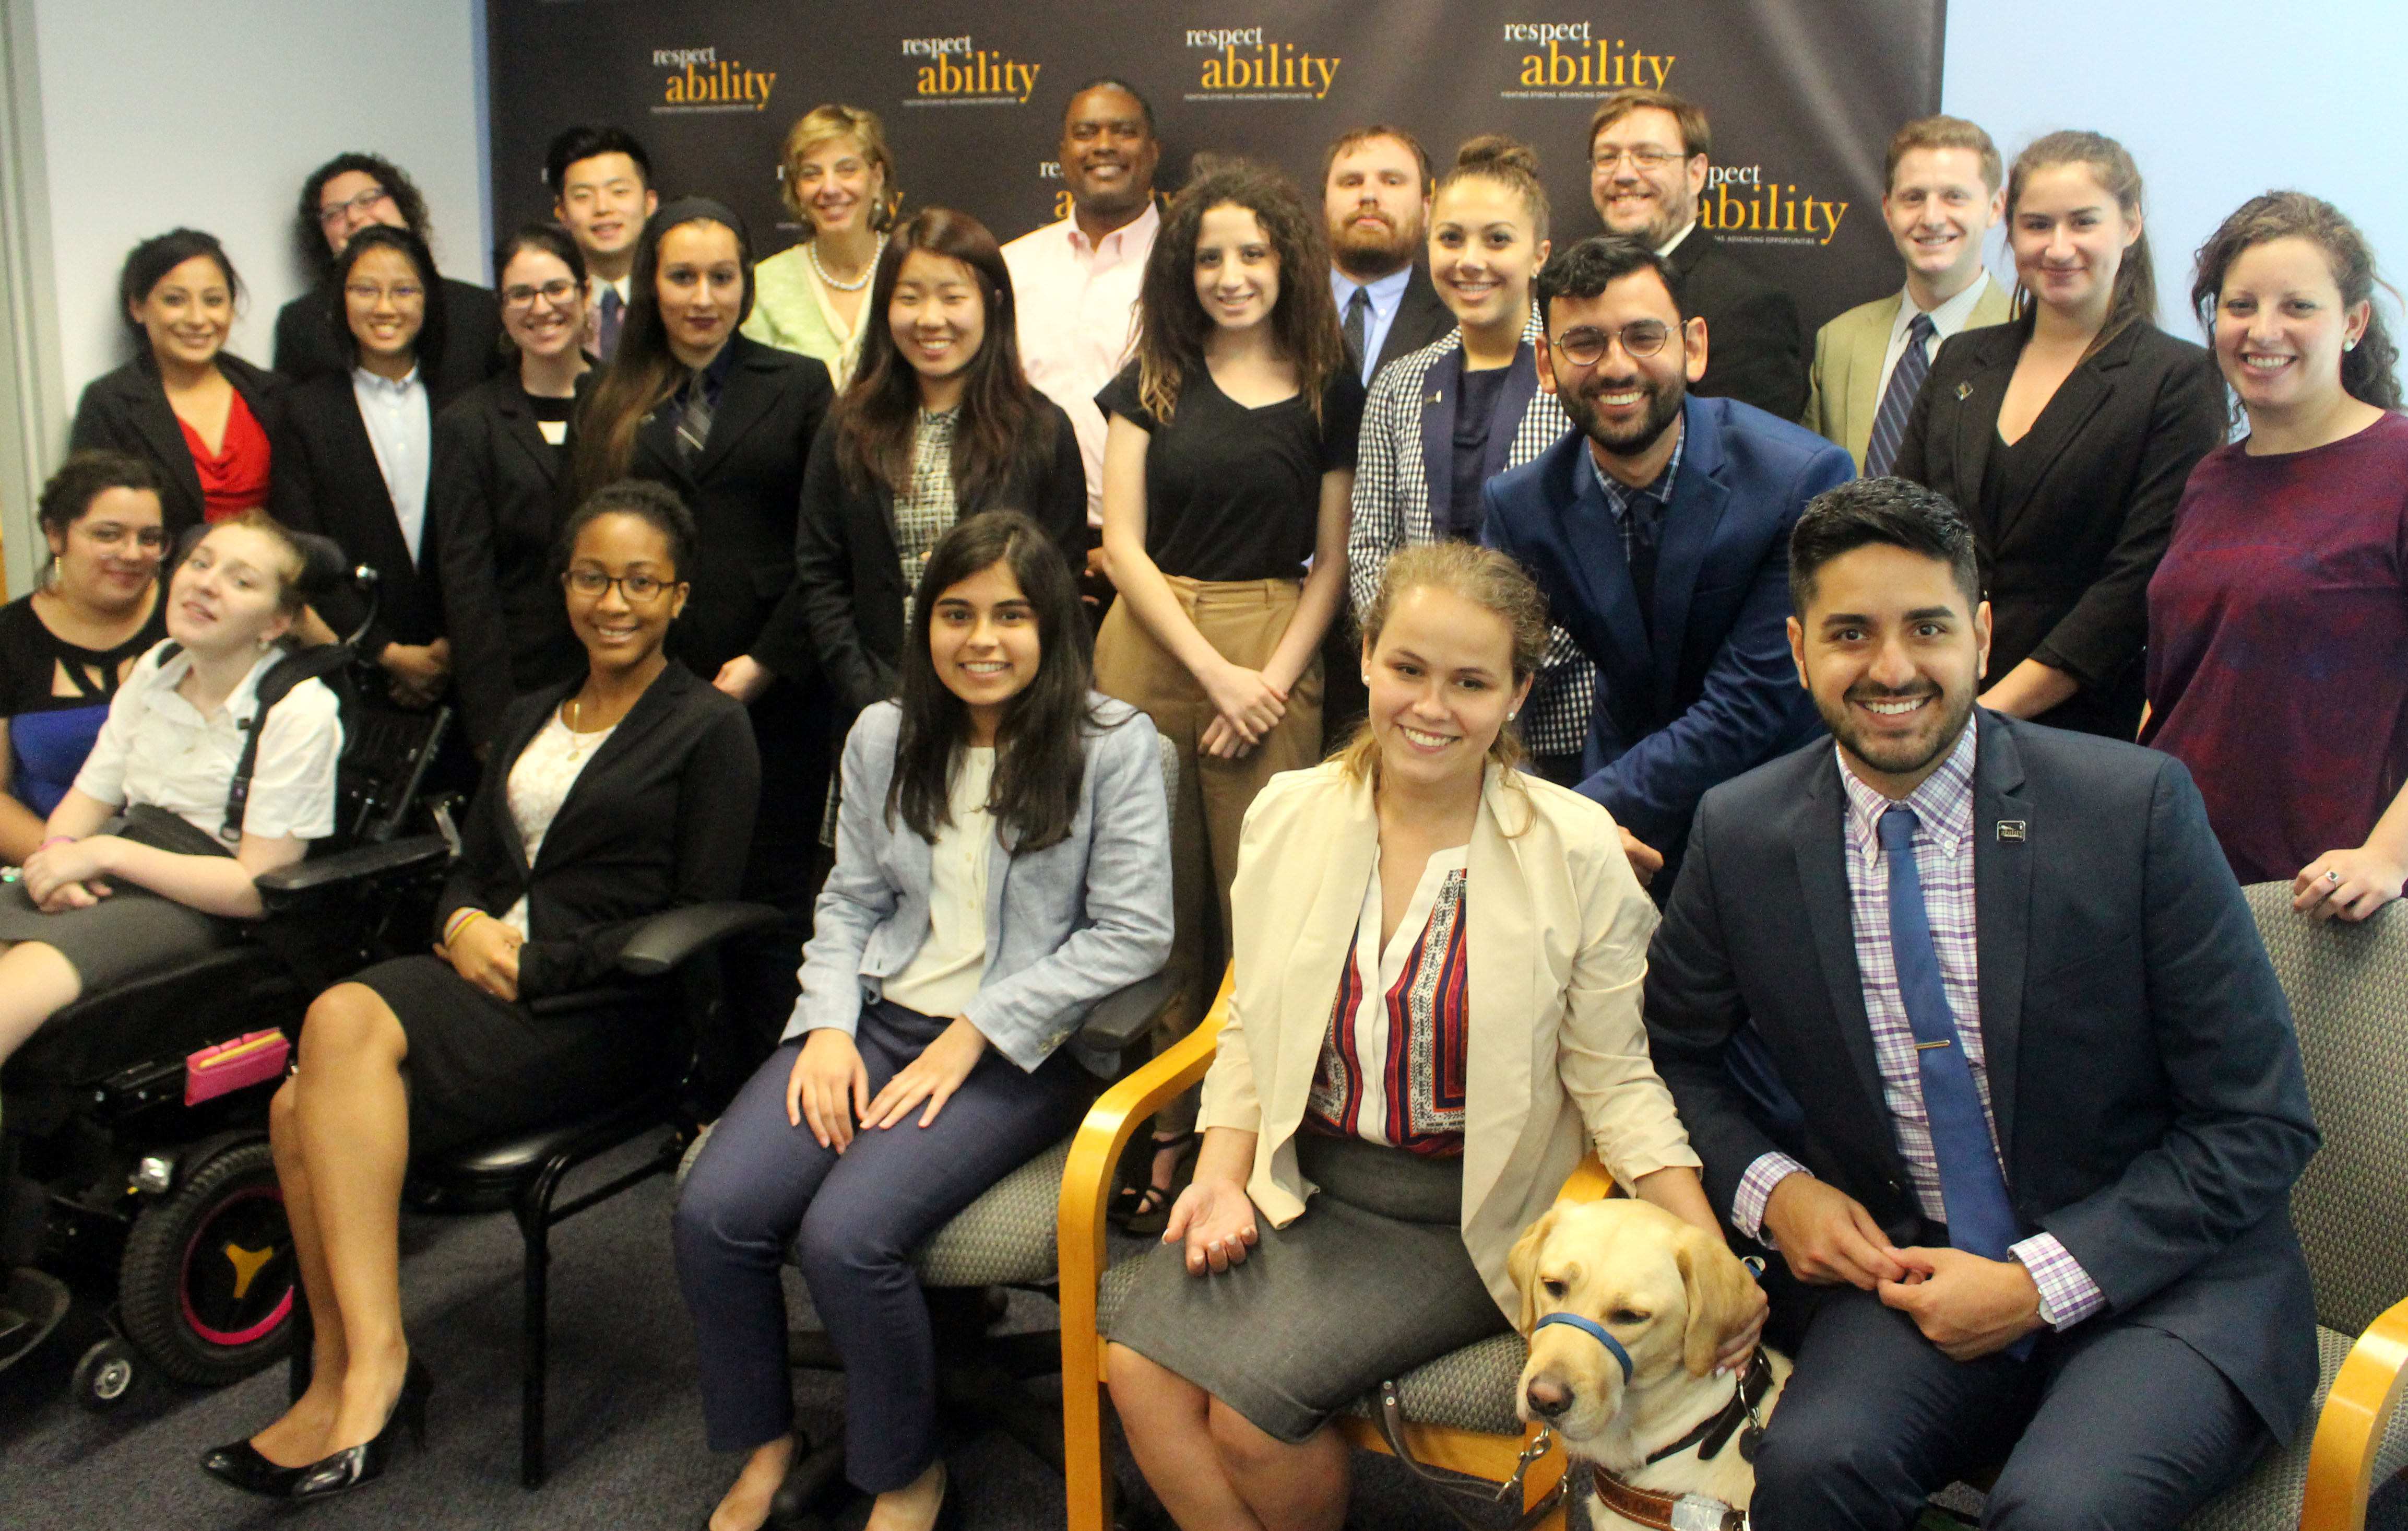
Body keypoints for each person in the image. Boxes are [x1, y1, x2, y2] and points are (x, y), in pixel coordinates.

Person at [1643, 476, 2320, 1531]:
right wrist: (1773, 1190)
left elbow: (2256, 1118)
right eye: (1849, 633)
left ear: (1981, 632)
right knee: (1811, 1468)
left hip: (2161, 1282)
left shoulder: (2130, 807)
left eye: (1926, 627)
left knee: (2054, 1510)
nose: (1890, 667)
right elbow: (1672, 1054)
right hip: (1909, 1269)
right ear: (1796, 646)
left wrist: (2034, 1283)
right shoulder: (1737, 832)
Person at [1108, 543, 1758, 1531]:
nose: (1430, 705)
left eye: (1469, 682)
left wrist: (1706, 1257)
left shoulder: (1573, 845)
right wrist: (1219, 1167)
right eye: (1407, 668)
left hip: (1466, 1215)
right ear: (1365, 655)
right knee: (1132, 1366)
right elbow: (1250, 1017)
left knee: (1249, 1421)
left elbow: (1616, 1077)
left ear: (1517, 693)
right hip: (1303, 1178)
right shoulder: (1288, 814)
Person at [201, 483, 757, 1503]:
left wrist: (539, 965)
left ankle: (377, 1367)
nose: (614, 600)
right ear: (565, 585)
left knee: (335, 1016)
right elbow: (475, 866)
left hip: (601, 1013)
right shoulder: (532, 709)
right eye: (593, 576)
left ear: (678, 596)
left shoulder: (707, 725)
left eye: (641, 580)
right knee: (291, 1102)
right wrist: (459, 923)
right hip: (477, 981)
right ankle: (336, 1372)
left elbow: (700, 906)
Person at [676, 512, 1171, 1531]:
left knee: (847, 1234)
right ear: (924, 624)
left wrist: (979, 1026)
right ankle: (771, 1438)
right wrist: (821, 1023)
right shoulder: (880, 734)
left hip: (1022, 1047)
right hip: (874, 1014)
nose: (979, 639)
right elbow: (851, 901)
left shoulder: (1114, 746)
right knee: (714, 1210)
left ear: (1053, 627)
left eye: (1009, 615)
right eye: (955, 614)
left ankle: (905, 1474)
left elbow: (1133, 936)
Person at [1093, 159, 1361, 1230]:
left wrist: (1269, 682)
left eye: (1250, 253)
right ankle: (1160, 1129)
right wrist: (1212, 674)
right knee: (1153, 912)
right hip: (1151, 649)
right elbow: (1116, 543)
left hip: (1276, 648)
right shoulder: (1149, 378)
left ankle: (1246, 1144)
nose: (1230, 274)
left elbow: (1333, 564)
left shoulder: (1325, 385)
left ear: (1285, 262)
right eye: (1207, 256)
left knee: (1263, 914)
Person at [1480, 236, 1851, 886]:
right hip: (1617, 799)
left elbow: (1748, 706)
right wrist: (1525, 807)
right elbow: (1480, 676)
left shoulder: (1798, 478)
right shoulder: (1520, 506)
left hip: (1773, 804)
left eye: (1643, 337)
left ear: (1694, 346)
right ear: (1545, 362)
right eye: (1584, 343)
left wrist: (1575, 818)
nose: (1615, 366)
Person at [576, 196, 835, 1061]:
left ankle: (771, 1077)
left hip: (774, 694)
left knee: (767, 899)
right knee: (662, 891)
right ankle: (674, 1075)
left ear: (746, 280)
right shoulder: (605, 396)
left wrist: (763, 664)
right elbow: (585, 544)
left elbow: (822, 548)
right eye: (681, 276)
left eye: (721, 276)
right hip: (648, 693)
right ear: (652, 284)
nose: (702, 296)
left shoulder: (796, 386)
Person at [1892, 130, 2223, 740]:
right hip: (1932, 705)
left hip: (2080, 727)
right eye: (2037, 225)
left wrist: (1990, 712)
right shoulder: (1962, 359)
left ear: (2129, 225)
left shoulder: (2176, 380)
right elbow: (1901, 525)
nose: (2058, 247)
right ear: (2009, 230)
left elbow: (2136, 580)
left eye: (2082, 222)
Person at [2144, 191, 2408, 918]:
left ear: (2353, 323)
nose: (2263, 331)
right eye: (2240, 306)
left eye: (2297, 306)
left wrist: (2386, 858)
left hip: (2324, 897)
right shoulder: (2210, 477)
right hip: (2182, 874)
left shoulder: (2399, 465)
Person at [0, 512, 340, 1071]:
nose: (205, 582)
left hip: (203, 897)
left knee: (22, 981)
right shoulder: (158, 667)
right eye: (200, 563)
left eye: (240, 580)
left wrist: (106, 854)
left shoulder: (299, 709)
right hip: (121, 857)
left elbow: (256, 887)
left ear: (276, 622)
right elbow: (92, 793)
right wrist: (57, 856)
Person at [774, 208, 1085, 736]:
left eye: (952, 297)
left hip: (1010, 715)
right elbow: (819, 573)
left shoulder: (1040, 429)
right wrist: (871, 699)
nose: (929, 319)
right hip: (874, 711)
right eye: (909, 297)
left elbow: (1059, 580)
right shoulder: (848, 425)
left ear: (993, 304)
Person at [1346, 136, 1590, 781]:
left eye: (1497, 241)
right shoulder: (1397, 384)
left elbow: (1601, 557)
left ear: (1539, 253)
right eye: (1451, 239)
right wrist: (1411, 662)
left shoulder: (1581, 380)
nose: (1470, 261)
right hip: (1419, 718)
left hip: (1554, 718)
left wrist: (1508, 671)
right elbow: (1371, 543)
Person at [272, 224, 465, 716]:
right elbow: (302, 547)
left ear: (428, 301)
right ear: (339, 303)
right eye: (365, 290)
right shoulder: (305, 412)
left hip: (463, 664)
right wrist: (387, 654)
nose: (385, 308)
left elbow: (481, 542)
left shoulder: (467, 404)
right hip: (352, 671)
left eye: (404, 290)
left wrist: (449, 650)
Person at [432, 224, 594, 752]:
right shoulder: (467, 424)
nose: (540, 307)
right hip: (521, 685)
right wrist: (491, 720)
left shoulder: (630, 403)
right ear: (500, 310)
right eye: (520, 294)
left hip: (626, 668)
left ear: (584, 293)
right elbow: (467, 582)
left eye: (556, 289)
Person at [1002, 78, 1164, 602]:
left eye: (1123, 132)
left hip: (1162, 558)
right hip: (1019, 555)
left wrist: (1116, 549)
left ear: (1152, 150)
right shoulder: (1010, 267)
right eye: (1085, 132)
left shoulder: (1194, 269)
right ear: (1063, 153)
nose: (1103, 146)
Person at [1805, 116, 2012, 474]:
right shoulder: (1838, 341)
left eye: (1954, 197)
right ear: (1888, 211)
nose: (1931, 218)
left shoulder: (2028, 338)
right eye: (1913, 198)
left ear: (1995, 207)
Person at [1586, 89, 1805, 420]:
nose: (1624, 174)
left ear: (1696, 173)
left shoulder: (1748, 308)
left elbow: (1744, 456)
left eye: (1648, 156)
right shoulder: (1575, 294)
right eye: (1607, 158)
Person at [0, 453, 168, 865]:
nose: (132, 554)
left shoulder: (189, 622)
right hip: (42, 861)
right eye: (108, 535)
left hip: (178, 866)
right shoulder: (9, 637)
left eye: (149, 538)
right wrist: (64, 864)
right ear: (56, 536)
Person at [70, 229, 284, 537]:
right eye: (175, 300)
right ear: (138, 308)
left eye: (213, 301)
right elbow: (97, 526)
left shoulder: (274, 394)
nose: (198, 318)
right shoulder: (109, 403)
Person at [272, 152, 501, 395]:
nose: (354, 217)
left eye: (368, 200)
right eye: (334, 213)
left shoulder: (480, 309)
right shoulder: (301, 323)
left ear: (402, 205)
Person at [742, 105, 897, 391]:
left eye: (847, 170)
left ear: (876, 179)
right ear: (797, 190)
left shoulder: (910, 270)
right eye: (812, 175)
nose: (830, 188)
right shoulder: (765, 286)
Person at [1323, 126, 1453, 388]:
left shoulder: (1458, 318)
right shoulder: (1277, 311)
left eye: (1392, 182)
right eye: (1352, 182)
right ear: (1324, 207)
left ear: (1427, 210)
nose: (1369, 195)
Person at [544, 124, 657, 362]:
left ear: (650, 203)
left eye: (619, 192)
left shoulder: (674, 302)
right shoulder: (546, 310)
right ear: (561, 211)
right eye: (583, 196)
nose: (603, 208)